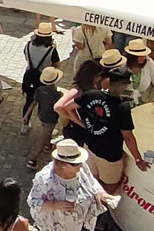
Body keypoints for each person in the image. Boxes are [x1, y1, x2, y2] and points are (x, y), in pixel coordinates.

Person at [63, 67, 147, 198]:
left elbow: (67, 107)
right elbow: (128, 137)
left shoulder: (91, 94)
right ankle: (96, 209)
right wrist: (138, 159)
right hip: (109, 155)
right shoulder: (122, 108)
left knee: (91, 181)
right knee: (110, 186)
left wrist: (81, 123)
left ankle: (88, 204)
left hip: (90, 147)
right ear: (124, 85)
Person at [20, 22, 62, 132]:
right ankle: (47, 126)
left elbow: (26, 57)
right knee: (46, 103)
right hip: (45, 79)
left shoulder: (28, 45)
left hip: (29, 77)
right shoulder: (51, 50)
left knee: (29, 101)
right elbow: (57, 65)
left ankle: (24, 124)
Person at [27, 67, 65, 170]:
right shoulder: (58, 94)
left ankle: (48, 146)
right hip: (51, 119)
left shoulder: (39, 90)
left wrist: (26, 115)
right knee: (42, 138)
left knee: (47, 133)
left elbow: (34, 103)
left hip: (42, 116)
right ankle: (33, 159)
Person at [123, 39, 154, 103]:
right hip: (123, 100)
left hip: (142, 100)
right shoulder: (123, 64)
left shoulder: (149, 62)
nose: (143, 58)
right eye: (140, 56)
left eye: (144, 55)